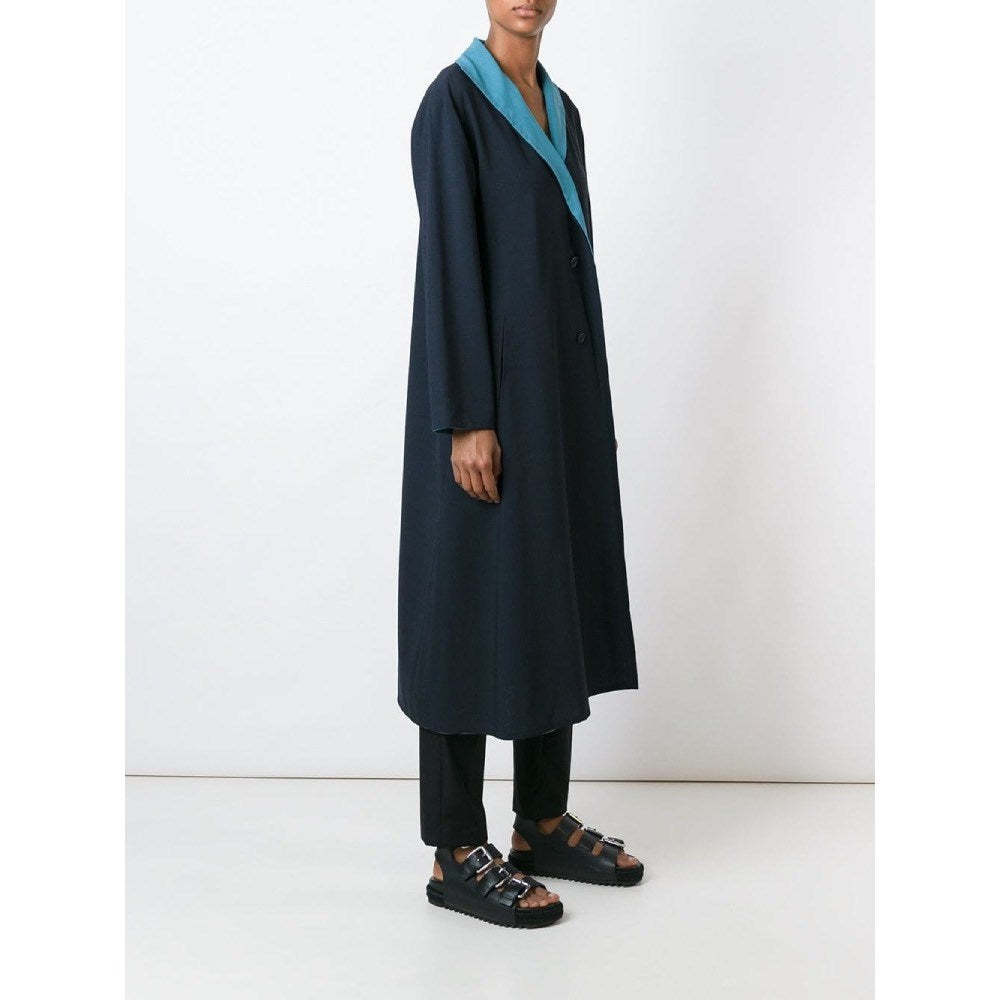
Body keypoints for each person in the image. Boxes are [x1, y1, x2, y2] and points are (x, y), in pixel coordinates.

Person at [398, 0, 642, 928]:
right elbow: (449, 262)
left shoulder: (562, 109)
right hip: (486, 401)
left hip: (557, 396)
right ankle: (456, 848)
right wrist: (467, 417)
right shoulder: (452, 104)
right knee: (462, 604)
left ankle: (540, 820)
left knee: (551, 591)